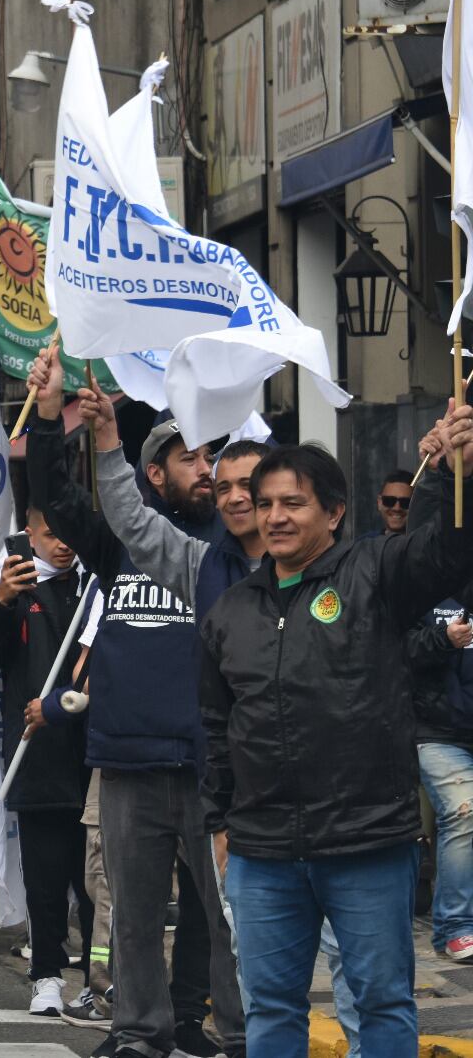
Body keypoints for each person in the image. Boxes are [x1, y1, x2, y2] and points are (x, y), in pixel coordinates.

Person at [200, 411, 473, 1055]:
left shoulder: (377, 574)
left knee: (381, 1006)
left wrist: (464, 470)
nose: (275, 517)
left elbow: (449, 551)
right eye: (265, 504)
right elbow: (215, 728)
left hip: (367, 844)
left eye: (294, 502)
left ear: (335, 512)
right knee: (269, 1011)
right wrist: (220, 824)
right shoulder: (230, 614)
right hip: (262, 855)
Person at [25, 348, 245, 1058]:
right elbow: (60, 504)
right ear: (155, 471)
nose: (208, 471)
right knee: (135, 913)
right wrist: (57, 414)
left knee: (228, 914)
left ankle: (230, 1028)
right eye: (192, 457)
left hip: (210, 762)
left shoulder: (234, 549)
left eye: (214, 455)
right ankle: (139, 1031)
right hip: (127, 756)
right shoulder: (125, 541)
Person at [0, 507, 94, 1017]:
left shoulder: (99, 582)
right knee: (46, 878)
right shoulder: (14, 583)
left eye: (71, 532)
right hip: (40, 756)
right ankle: (47, 975)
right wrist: (2, 600)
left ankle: (100, 980)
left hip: (98, 756)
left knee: (98, 881)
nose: (63, 544)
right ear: (30, 532)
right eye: (52, 533)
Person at [405, 455, 473, 964]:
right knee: (464, 812)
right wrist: (442, 640)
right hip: (436, 729)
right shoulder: (416, 585)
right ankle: (454, 927)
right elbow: (396, 650)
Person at [375, 469, 413, 536]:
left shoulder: (428, 544)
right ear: (379, 503)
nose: (397, 508)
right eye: (389, 501)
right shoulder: (364, 544)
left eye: (405, 502)